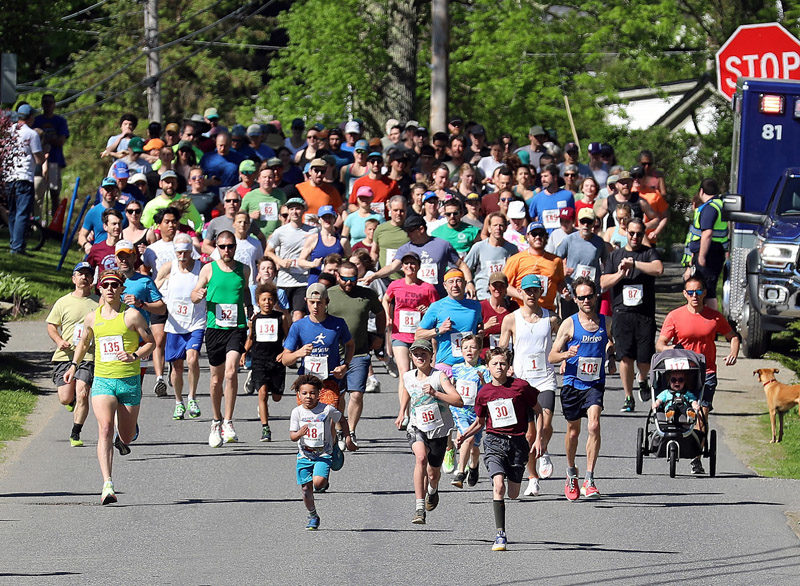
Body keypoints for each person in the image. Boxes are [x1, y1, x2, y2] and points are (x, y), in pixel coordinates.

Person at [65, 269, 155, 504]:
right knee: (104, 428)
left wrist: (134, 354)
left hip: (128, 381)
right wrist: (74, 366)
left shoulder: (132, 316)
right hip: (103, 380)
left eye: (115, 285)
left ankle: (128, 433)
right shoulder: (92, 318)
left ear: (122, 288)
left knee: (124, 436)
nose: (111, 289)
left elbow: (151, 343)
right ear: (100, 289)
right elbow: (83, 343)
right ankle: (107, 484)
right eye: (106, 285)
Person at [456, 347, 542, 551]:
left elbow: (540, 411)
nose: (499, 367)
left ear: (508, 366)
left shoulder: (521, 387)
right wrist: (464, 435)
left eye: (502, 363)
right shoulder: (484, 392)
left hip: (518, 443)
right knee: (498, 486)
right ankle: (500, 534)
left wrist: (538, 438)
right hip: (494, 441)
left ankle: (512, 488)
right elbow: (480, 421)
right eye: (494, 364)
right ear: (488, 367)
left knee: (513, 493)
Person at [656, 274, 739, 473]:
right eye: (691, 292)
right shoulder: (675, 316)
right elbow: (660, 344)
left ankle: (696, 458)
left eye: (699, 292)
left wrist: (733, 353)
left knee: (701, 413)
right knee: (677, 407)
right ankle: (673, 440)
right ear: (685, 294)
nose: (695, 296)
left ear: (704, 293)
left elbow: (733, 337)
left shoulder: (714, 316)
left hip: (706, 372)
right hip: (681, 372)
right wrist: (670, 350)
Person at [549, 276, 608, 500]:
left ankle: (590, 478)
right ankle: (571, 472)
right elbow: (552, 355)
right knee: (573, 431)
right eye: (581, 297)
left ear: (596, 296)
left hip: (595, 383)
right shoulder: (569, 324)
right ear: (575, 299)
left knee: (594, 425)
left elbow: (611, 342)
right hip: (573, 384)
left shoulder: (606, 322)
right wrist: (566, 354)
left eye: (589, 296)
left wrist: (610, 355)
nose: (586, 301)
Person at [191, 231, 252, 446]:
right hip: (215, 328)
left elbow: (244, 291)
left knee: (231, 371)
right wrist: (197, 295)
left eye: (231, 246)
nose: (227, 250)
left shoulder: (244, 269)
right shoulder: (209, 269)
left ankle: (228, 421)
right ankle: (215, 421)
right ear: (217, 247)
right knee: (216, 379)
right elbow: (195, 292)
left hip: (237, 327)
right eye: (223, 246)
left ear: (235, 247)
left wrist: (250, 309)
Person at [397, 338, 463, 524]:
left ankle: (432, 490)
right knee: (420, 458)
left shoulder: (439, 376)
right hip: (417, 426)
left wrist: (436, 393)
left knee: (433, 473)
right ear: (411, 356)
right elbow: (407, 391)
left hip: (439, 429)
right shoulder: (408, 376)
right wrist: (402, 411)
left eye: (423, 353)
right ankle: (419, 508)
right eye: (416, 354)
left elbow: (458, 400)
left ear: (431, 356)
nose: (420, 357)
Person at [600, 218, 663, 412]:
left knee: (644, 358)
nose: (635, 237)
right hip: (622, 312)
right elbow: (602, 283)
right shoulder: (615, 255)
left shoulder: (648, 253)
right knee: (625, 357)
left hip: (644, 313)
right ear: (625, 232)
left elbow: (658, 269)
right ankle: (628, 397)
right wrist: (621, 273)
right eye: (631, 233)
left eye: (638, 234)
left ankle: (642, 379)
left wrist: (634, 264)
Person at [326, 262, 385, 445]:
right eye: (345, 279)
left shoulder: (367, 294)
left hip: (359, 352)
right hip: (335, 355)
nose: (349, 283)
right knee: (339, 395)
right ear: (337, 276)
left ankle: (350, 431)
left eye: (352, 278)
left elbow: (381, 313)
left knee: (357, 394)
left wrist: (380, 336)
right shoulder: (329, 295)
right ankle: (339, 427)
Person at [289, 374, 357, 530]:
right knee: (306, 490)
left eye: (312, 393)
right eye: (304, 393)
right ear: (298, 394)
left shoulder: (327, 409)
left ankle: (332, 456)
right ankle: (313, 515)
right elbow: (292, 436)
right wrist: (299, 433)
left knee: (319, 483)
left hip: (323, 454)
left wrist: (347, 437)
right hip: (304, 455)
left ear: (319, 393)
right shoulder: (297, 412)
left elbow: (342, 420)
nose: (308, 396)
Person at [46, 262, 99, 447]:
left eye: (88, 274)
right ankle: (72, 399)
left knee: (83, 392)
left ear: (92, 279)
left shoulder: (99, 302)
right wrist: (60, 341)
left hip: (88, 356)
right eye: (80, 274)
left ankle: (75, 433)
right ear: (73, 279)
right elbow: (51, 326)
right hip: (66, 356)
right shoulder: (63, 302)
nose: (84, 277)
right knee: (65, 398)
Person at [281, 283, 355, 413]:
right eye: (312, 302)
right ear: (306, 301)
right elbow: (285, 359)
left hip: (330, 381)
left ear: (327, 302)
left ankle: (334, 432)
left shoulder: (338, 324)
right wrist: (298, 353)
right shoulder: (298, 326)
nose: (315, 307)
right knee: (309, 422)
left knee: (328, 415)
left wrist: (345, 365)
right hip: (306, 384)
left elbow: (350, 344)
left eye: (319, 303)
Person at [154, 233, 205, 420]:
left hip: (196, 322)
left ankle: (192, 397)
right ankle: (178, 401)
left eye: (185, 252)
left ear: (191, 250)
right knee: (176, 367)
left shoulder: (201, 268)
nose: (182, 256)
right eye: (179, 252)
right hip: (175, 324)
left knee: (192, 359)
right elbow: (154, 289)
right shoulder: (169, 268)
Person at [364, 215, 475, 299]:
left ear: (421, 229)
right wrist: (374, 276)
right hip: (413, 299)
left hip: (438, 297)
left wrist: (469, 283)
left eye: (410, 231)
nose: (407, 235)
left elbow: (461, 265)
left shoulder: (443, 245)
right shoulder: (405, 249)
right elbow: (392, 267)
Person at [243, 281, 289, 441]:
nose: (267, 303)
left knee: (276, 397)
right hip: (259, 360)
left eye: (270, 299)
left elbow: (288, 337)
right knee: (262, 393)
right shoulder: (255, 319)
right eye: (263, 300)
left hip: (276, 360)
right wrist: (244, 352)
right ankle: (265, 428)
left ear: (274, 301)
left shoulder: (281, 317)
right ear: (258, 301)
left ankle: (268, 399)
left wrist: (286, 352)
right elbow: (250, 338)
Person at [265, 197, 317, 322]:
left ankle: (296, 340)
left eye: (298, 208)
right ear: (288, 211)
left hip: (303, 281)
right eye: (292, 209)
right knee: (283, 316)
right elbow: (268, 251)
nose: (295, 212)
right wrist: (279, 261)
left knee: (298, 315)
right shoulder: (280, 232)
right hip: (284, 281)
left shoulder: (313, 231)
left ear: (303, 210)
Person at [449, 335, 490, 488]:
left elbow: (488, 390)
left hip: (476, 413)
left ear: (479, 350)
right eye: (465, 348)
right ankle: (460, 472)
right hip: (460, 410)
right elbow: (452, 387)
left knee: (474, 447)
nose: (469, 351)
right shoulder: (456, 369)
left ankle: (474, 466)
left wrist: (484, 381)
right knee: (467, 438)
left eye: (473, 347)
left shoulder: (484, 370)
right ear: (461, 351)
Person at [5, 104, 44, 254]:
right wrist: (44, 155)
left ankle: (14, 242)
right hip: (24, 176)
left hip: (10, 176)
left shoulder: (9, 130)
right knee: (22, 212)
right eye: (33, 116)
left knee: (13, 212)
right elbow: (38, 157)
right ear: (29, 118)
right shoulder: (32, 134)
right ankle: (18, 247)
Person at [684, 179, 728, 311]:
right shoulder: (720, 204)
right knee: (707, 288)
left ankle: (711, 325)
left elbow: (707, 233)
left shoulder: (710, 208)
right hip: (716, 251)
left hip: (709, 254)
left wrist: (702, 256)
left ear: (701, 191)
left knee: (707, 289)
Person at [556, 208, 609, 317]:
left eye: (589, 222)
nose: (585, 225)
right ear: (577, 222)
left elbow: (606, 262)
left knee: (591, 326)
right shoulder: (568, 240)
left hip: (591, 294)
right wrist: (563, 270)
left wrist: (604, 278)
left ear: (594, 223)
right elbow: (554, 260)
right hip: (571, 293)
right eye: (582, 221)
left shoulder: (599, 242)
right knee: (570, 328)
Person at [504, 222, 566, 312]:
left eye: (541, 234)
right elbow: (505, 286)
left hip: (547, 311)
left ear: (545, 237)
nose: (537, 237)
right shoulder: (516, 259)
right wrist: (523, 295)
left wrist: (565, 291)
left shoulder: (556, 261)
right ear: (527, 236)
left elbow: (560, 283)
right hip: (522, 310)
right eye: (534, 234)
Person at [463, 213, 519, 301]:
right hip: (482, 297)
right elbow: (465, 267)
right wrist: (469, 283)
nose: (498, 228)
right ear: (489, 228)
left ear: (505, 228)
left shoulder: (512, 249)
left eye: (501, 225)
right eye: (495, 225)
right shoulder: (479, 247)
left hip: (503, 298)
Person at [33, 94, 69, 217]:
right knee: (37, 195)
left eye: (50, 102)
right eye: (45, 102)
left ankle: (54, 224)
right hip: (37, 162)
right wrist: (52, 139)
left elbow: (61, 141)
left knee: (54, 193)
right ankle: (36, 223)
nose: (48, 105)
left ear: (54, 104)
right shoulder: (36, 120)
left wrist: (44, 139)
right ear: (42, 104)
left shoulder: (60, 121)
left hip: (54, 162)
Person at [297, 205, 347, 285]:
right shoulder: (313, 239)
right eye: (324, 217)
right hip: (316, 282)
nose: (327, 220)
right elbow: (300, 261)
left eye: (330, 217)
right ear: (319, 219)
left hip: (336, 284)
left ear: (335, 219)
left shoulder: (342, 240)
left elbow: (351, 260)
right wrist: (312, 264)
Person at [527, 164, 575, 234]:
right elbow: (532, 218)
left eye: (546, 176)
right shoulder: (537, 198)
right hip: (545, 240)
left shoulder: (568, 196)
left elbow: (573, 216)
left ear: (555, 177)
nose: (543, 179)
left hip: (564, 237)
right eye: (541, 176)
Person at [241, 166, 286, 240]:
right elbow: (239, 216)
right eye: (264, 177)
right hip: (255, 239)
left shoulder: (281, 195)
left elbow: (286, 214)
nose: (267, 180)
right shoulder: (249, 196)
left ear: (274, 179)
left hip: (276, 239)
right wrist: (250, 216)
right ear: (258, 179)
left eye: (270, 177)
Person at [348, 151, 400, 215]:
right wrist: (364, 212)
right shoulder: (359, 183)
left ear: (382, 164)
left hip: (384, 221)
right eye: (372, 161)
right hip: (365, 221)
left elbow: (398, 204)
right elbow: (351, 205)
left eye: (379, 161)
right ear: (367, 163)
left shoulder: (392, 183)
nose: (376, 164)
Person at [371, 196, 409, 280]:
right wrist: (371, 268)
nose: (398, 213)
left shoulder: (411, 229)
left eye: (402, 210)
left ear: (406, 211)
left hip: (406, 278)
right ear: (390, 210)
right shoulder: (380, 229)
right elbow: (374, 252)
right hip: (384, 278)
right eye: (395, 210)